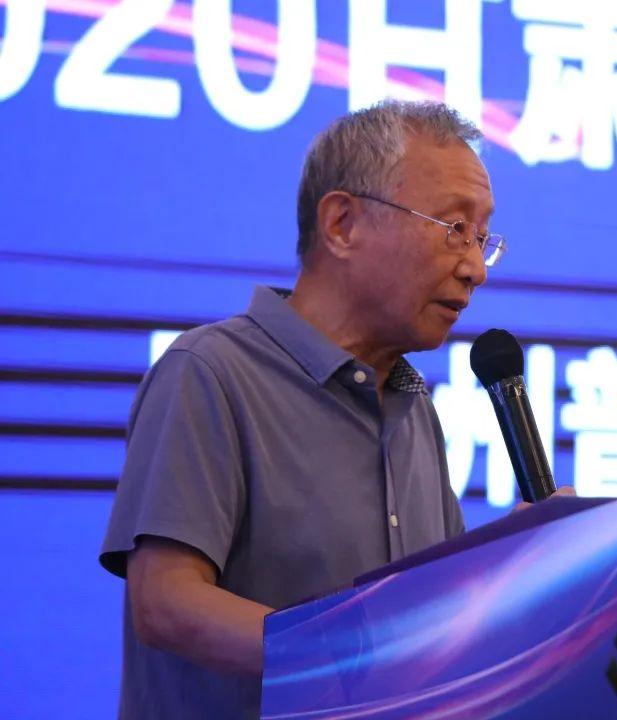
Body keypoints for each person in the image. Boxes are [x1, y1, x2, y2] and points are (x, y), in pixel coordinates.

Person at [100, 100, 507, 719]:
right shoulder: (211, 372)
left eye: (482, 238)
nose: (475, 268)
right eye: (453, 227)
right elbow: (166, 605)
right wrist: (357, 658)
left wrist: (520, 557)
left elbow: (432, 614)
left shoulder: (413, 406)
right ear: (342, 224)